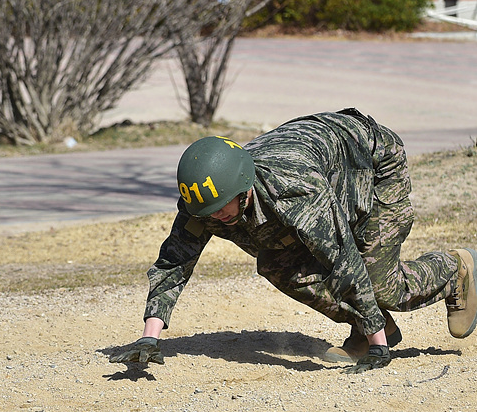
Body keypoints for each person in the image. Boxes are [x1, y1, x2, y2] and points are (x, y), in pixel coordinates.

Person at [109, 108, 477, 373]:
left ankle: (454, 271)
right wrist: (149, 338)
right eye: (207, 213)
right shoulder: (204, 199)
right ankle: (373, 325)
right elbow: (174, 264)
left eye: (222, 208)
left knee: (381, 286)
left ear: (244, 189)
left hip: (373, 163)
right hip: (324, 166)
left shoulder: (294, 190)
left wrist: (380, 350)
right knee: (276, 263)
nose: (215, 217)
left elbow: (341, 259)